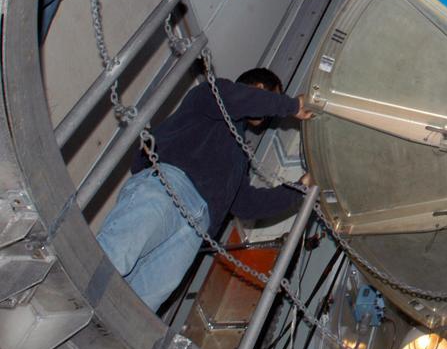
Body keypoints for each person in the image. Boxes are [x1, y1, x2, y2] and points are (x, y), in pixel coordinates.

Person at [96, 67, 314, 310]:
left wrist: (301, 188)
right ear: (261, 89)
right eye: (273, 97)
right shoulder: (213, 93)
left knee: (143, 301)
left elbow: (245, 203)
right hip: (167, 187)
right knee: (114, 257)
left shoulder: (237, 154)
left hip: (196, 228)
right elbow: (236, 99)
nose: (270, 113)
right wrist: (292, 105)